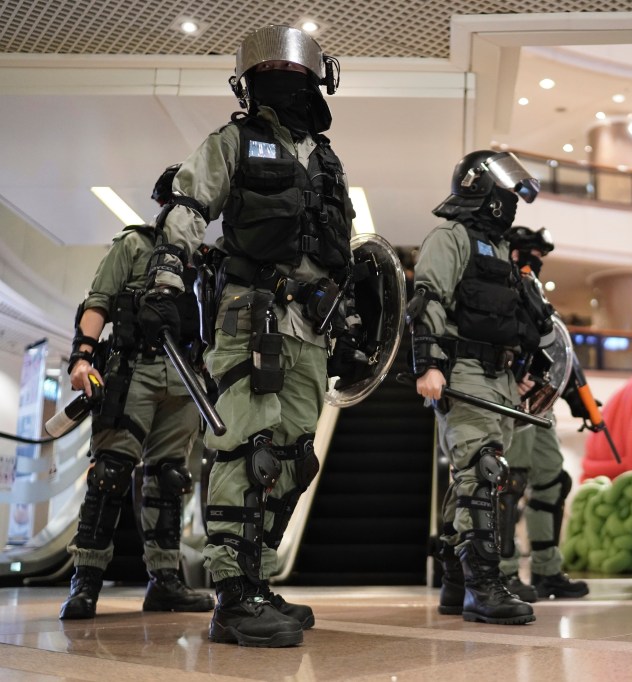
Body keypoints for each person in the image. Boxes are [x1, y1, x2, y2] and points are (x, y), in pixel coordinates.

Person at [138, 25, 359, 647]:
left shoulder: (327, 159)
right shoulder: (232, 141)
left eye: (296, 75)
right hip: (250, 317)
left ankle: (258, 584)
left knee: (293, 459)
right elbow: (187, 206)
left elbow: (342, 254)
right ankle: (232, 597)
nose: (286, 84)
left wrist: (350, 324)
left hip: (312, 329)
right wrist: (164, 282)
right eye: (273, 74)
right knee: (246, 450)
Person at [59, 164, 214, 620]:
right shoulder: (134, 245)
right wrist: (81, 358)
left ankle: (164, 581)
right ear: (167, 203)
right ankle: (85, 582)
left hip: (185, 379)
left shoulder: (204, 260)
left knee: (170, 480)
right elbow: (98, 301)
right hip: (134, 371)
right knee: (109, 475)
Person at [408, 149, 547, 625]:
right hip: (463, 370)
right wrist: (428, 363)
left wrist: (525, 366)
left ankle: (454, 583)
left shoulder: (497, 248)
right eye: (505, 191)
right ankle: (483, 587)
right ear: (479, 188)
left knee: (476, 477)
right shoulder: (451, 237)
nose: (510, 201)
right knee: (481, 473)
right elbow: (428, 297)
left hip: (500, 378)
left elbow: (513, 317)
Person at [498, 226, 589, 601]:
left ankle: (547, 570)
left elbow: (554, 346)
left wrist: (580, 399)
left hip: (541, 404)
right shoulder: (500, 284)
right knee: (508, 483)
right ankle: (502, 573)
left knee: (553, 482)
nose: (537, 260)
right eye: (531, 252)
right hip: (512, 399)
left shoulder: (532, 289)